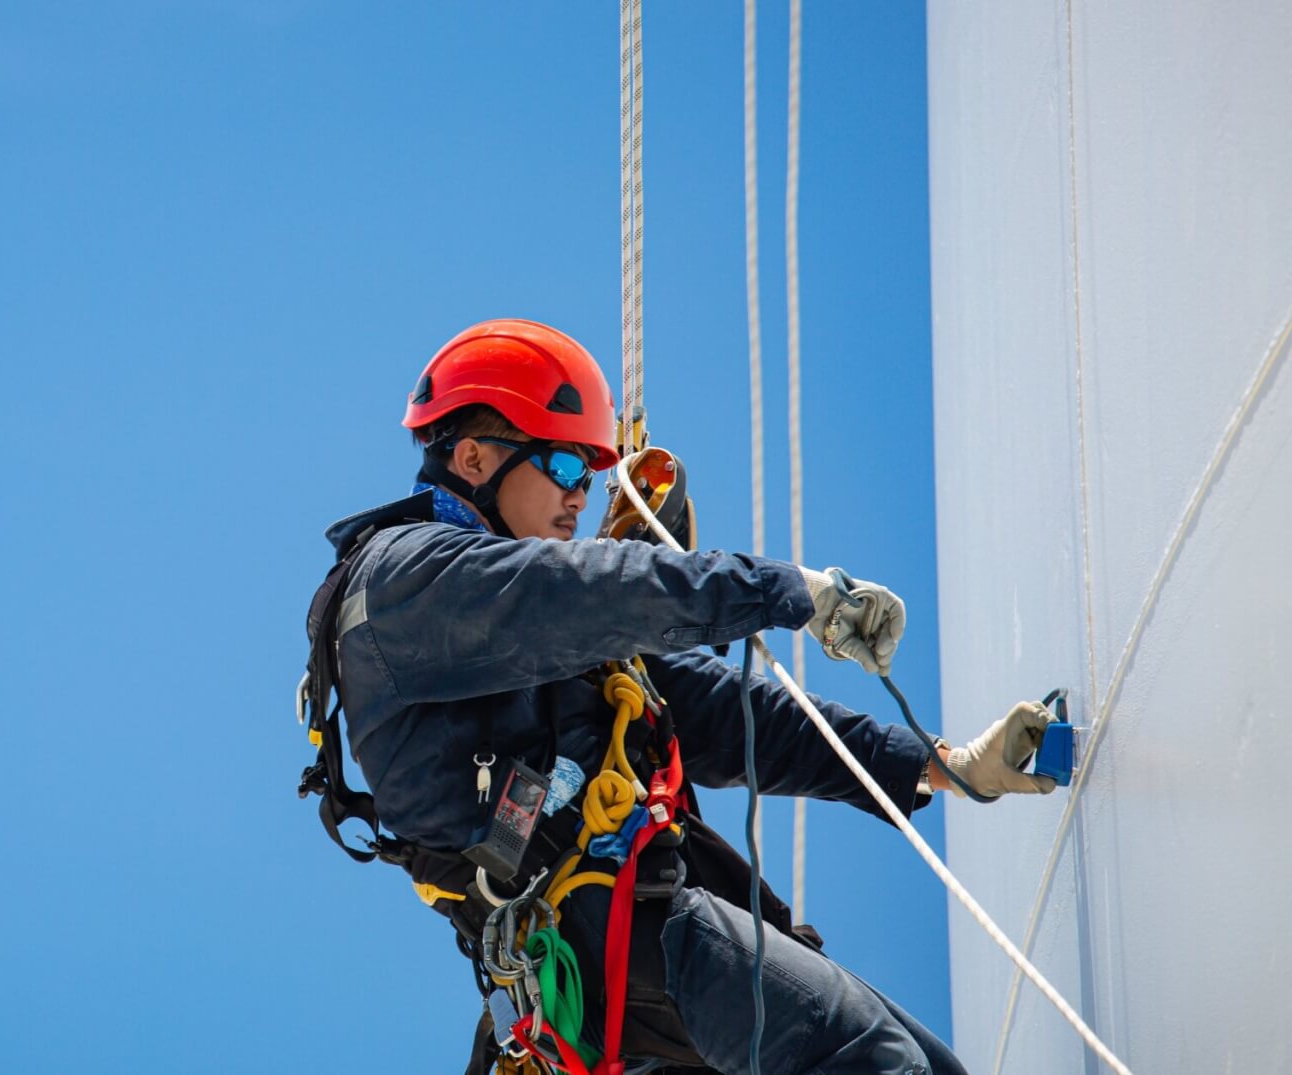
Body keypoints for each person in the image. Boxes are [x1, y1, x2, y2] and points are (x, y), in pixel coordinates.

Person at [301, 318, 1056, 1075]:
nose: (579, 497)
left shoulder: (522, 633)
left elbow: (725, 715)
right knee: (872, 1058)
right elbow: (590, 591)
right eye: (563, 465)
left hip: (638, 954)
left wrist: (940, 765)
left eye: (588, 477)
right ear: (473, 458)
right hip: (609, 944)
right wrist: (791, 592)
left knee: (924, 1064)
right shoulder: (404, 581)